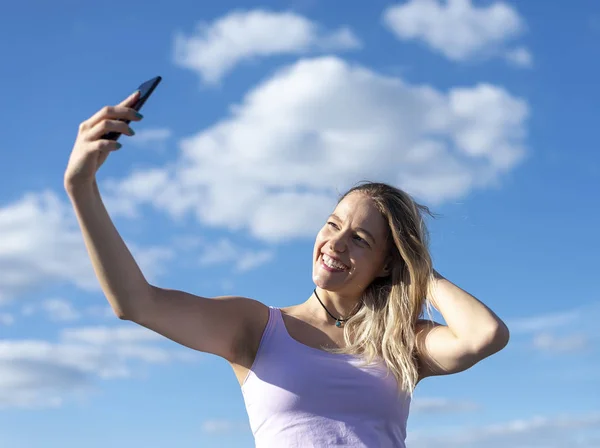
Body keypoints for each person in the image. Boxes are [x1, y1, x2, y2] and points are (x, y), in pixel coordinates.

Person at [65, 91, 510, 448]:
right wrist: (81, 186)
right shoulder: (257, 328)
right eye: (333, 225)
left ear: (386, 264)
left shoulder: (400, 342)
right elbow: (136, 303)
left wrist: (417, 270)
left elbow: (484, 335)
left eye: (360, 239)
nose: (334, 243)